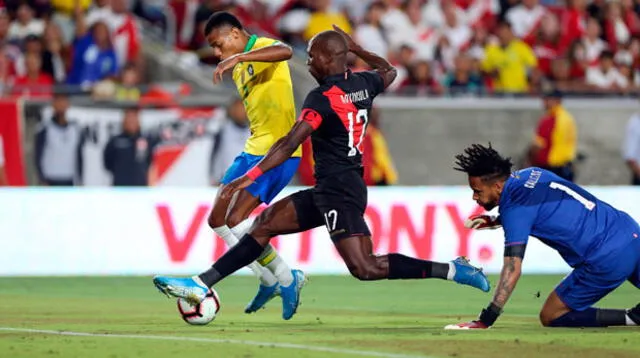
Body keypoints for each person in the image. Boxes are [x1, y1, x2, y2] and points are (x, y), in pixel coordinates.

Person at [153, 26, 490, 320]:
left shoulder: (322, 98)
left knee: (366, 268)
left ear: (329, 59)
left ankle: (452, 270)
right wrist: (357, 49)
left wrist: (246, 179)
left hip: (340, 191)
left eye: (313, 56)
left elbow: (288, 145)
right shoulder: (364, 82)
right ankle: (200, 283)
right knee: (263, 224)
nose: (309, 62)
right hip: (332, 187)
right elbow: (389, 71)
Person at [183, 11, 303, 319]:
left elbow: (286, 51)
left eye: (218, 45)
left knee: (237, 219)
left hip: (278, 152)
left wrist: (237, 59)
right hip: (252, 149)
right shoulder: (235, 68)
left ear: (235, 34)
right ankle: (268, 279)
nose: (217, 53)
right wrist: (235, 62)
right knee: (218, 219)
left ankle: (287, 278)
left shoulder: (261, 47)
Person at [445, 143, 640, 330]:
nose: (474, 197)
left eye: (477, 191)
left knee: (551, 315)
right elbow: (544, 205)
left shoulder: (514, 208)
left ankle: (631, 317)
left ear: (497, 186)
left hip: (606, 257)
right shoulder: (532, 173)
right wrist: (497, 220)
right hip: (629, 232)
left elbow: (513, 268)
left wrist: (487, 318)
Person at [527, 89, 577, 182]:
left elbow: (539, 144)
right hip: (564, 165)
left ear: (557, 101)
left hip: (553, 166)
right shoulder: (566, 117)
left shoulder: (553, 119)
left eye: (547, 99)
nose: (544, 102)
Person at [103, 108, 157, 186]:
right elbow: (107, 163)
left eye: (134, 118)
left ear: (138, 121)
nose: (131, 121)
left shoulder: (146, 140)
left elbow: (150, 162)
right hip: (120, 187)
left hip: (140, 187)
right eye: (129, 118)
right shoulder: (115, 141)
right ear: (124, 120)